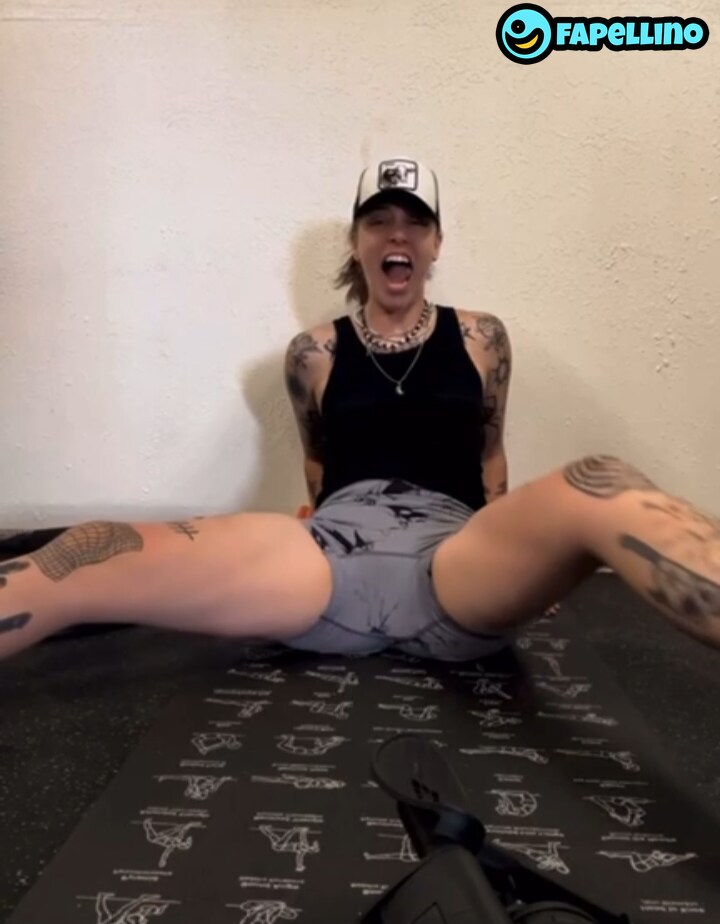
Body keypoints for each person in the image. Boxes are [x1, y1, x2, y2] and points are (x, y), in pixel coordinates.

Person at [0, 156, 718, 664]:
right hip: (330, 559)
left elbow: (489, 452)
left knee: (602, 482)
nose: (397, 234)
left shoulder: (482, 338)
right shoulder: (311, 354)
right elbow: (318, 461)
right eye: (379, 221)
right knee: (88, 552)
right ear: (358, 242)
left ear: (435, 244)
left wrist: (523, 561)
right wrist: (315, 523)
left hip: (456, 560)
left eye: (415, 223)